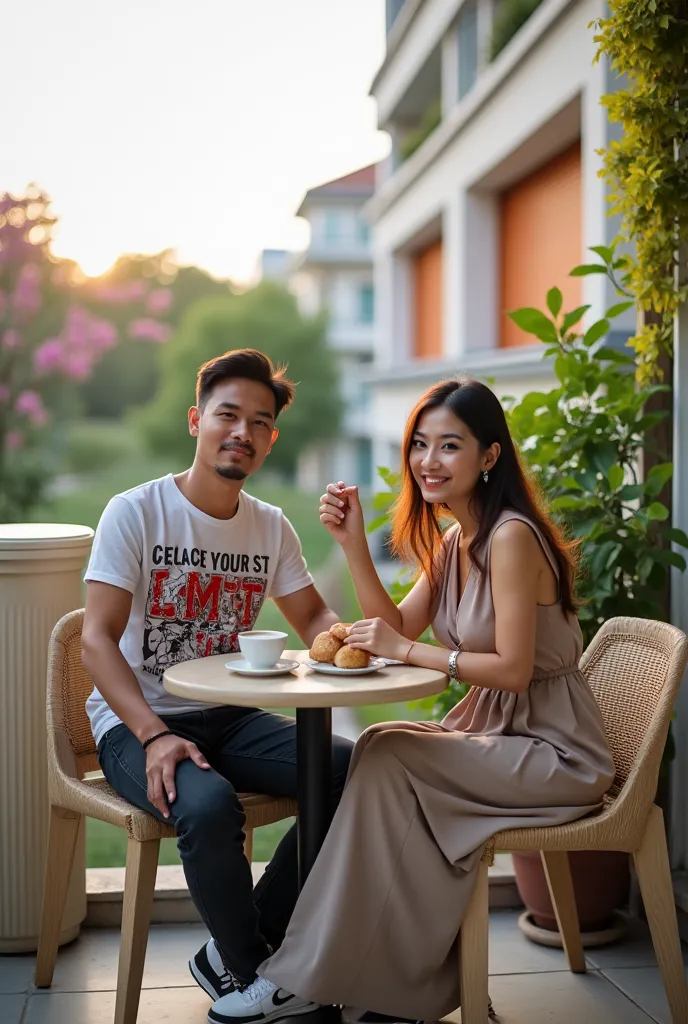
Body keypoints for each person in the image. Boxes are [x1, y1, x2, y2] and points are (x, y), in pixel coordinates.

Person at [209, 377, 615, 1024]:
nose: (428, 460)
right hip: (501, 735)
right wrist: (351, 547)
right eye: (420, 444)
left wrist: (412, 655)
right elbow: (393, 628)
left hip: (553, 750)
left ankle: (300, 971)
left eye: (449, 445)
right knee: (375, 746)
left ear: (489, 456)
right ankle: (389, 987)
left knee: (390, 756)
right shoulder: (457, 540)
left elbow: (508, 671)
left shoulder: (510, 537)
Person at [80, 348, 354, 1009]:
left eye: (260, 423)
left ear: (271, 440)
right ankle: (254, 970)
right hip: (137, 721)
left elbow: (312, 614)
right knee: (206, 806)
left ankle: (241, 951)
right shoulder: (136, 512)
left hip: (229, 714)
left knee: (357, 772)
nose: (243, 432)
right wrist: (152, 738)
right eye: (228, 415)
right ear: (197, 420)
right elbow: (95, 638)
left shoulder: (269, 525)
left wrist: (343, 636)